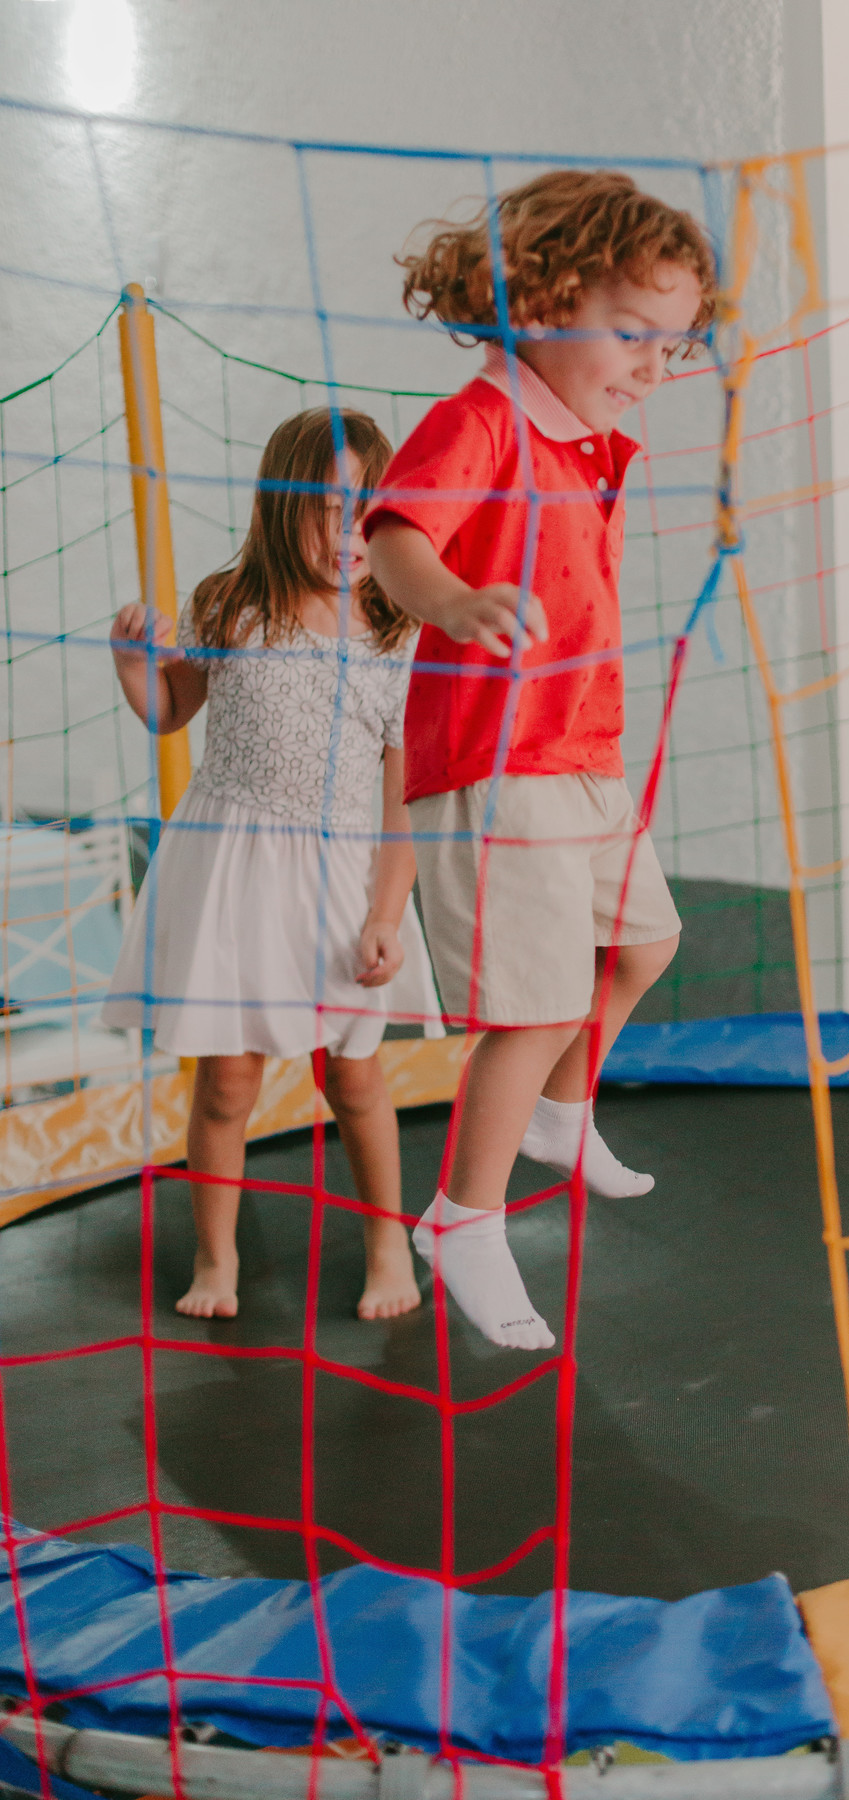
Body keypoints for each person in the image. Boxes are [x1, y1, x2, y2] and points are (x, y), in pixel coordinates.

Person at [364, 169, 718, 1351]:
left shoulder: (592, 438)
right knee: (536, 1003)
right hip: (494, 755)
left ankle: (564, 1116)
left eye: (674, 345)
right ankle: (462, 1217)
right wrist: (453, 601)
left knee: (650, 941)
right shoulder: (485, 418)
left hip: (583, 747)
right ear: (548, 299)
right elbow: (397, 540)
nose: (654, 368)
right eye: (631, 335)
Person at [103, 408, 434, 1324]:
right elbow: (170, 709)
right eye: (327, 507)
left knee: (354, 1076)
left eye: (367, 509)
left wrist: (384, 913)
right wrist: (134, 664)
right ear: (279, 506)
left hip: (340, 877)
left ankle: (385, 1243)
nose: (348, 531)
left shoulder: (398, 636)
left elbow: (402, 800)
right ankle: (216, 1261)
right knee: (227, 1084)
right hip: (229, 867)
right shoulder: (231, 604)